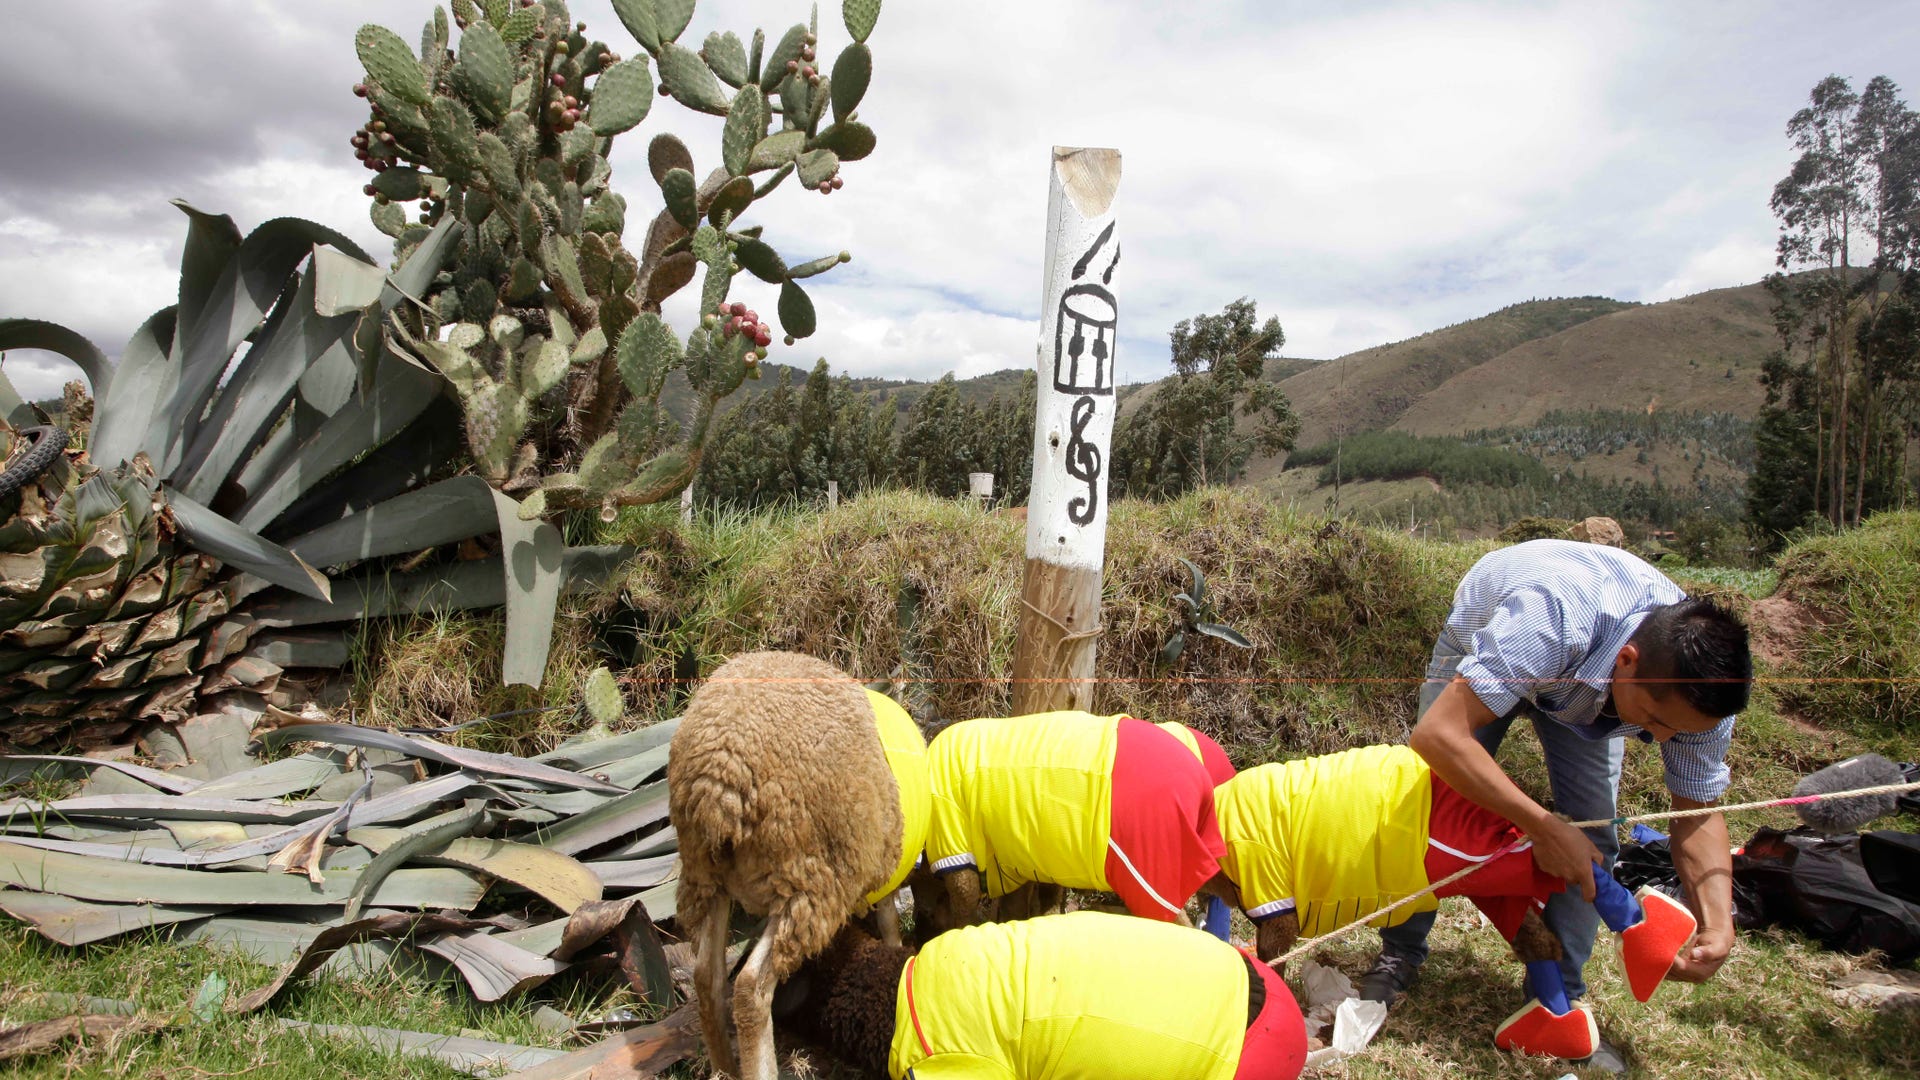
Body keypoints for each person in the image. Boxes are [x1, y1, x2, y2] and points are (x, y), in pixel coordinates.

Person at [1362, 539, 1752, 1071]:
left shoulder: (1699, 697)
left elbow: (1697, 812)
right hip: (1495, 637)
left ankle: (1556, 1001)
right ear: (1628, 660)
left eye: (1675, 731)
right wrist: (1542, 826)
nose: (1662, 739)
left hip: (1584, 683)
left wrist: (1717, 918)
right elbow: (1437, 736)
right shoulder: (1552, 616)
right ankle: (1400, 951)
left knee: (1593, 836)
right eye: (1655, 721)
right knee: (1431, 805)